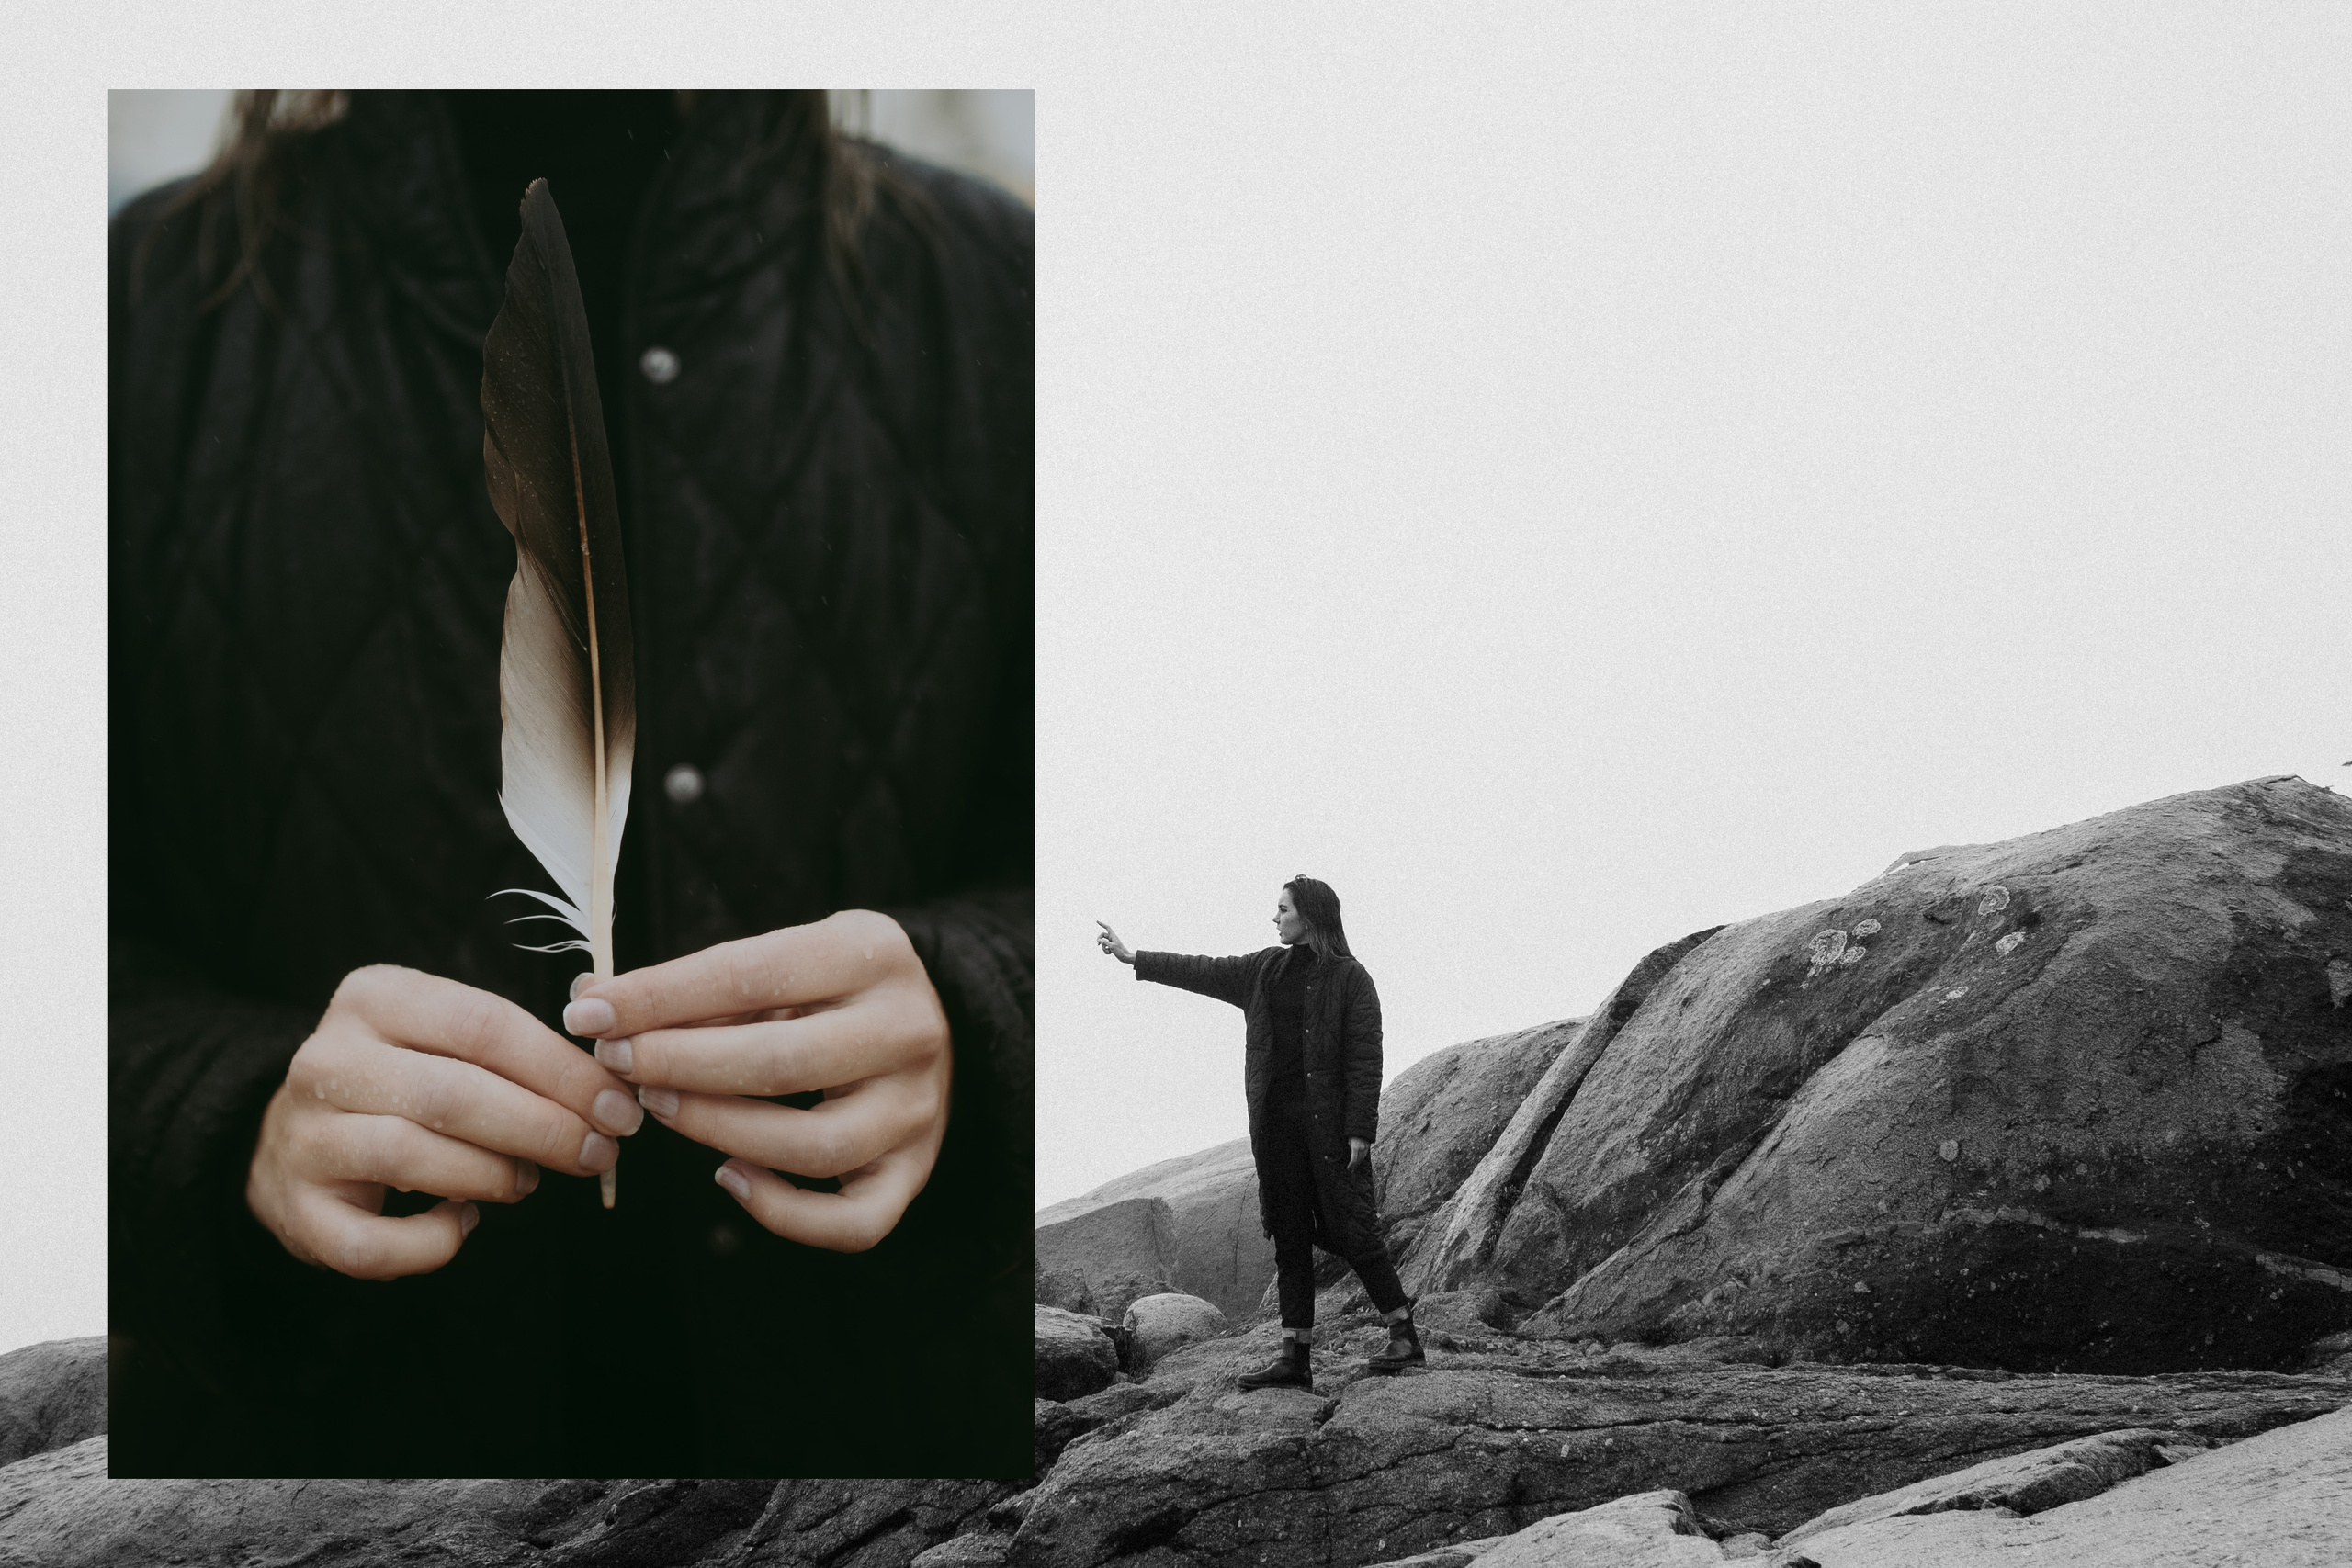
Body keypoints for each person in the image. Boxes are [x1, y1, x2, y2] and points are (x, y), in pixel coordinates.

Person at [109, 90, 1033, 1477]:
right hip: (329, 1463)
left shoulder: (990, 288)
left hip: (889, 1443)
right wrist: (221, 1122)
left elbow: (1133, 863)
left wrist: (981, 1012)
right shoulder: (137, 314)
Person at [1096, 877, 1421, 1389]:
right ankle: (1295, 1358)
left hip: (1329, 1133)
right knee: (1289, 1237)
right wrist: (1135, 957)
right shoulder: (1264, 969)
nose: (1275, 917)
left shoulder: (1351, 978)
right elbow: (1203, 970)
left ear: (1309, 916)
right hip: (1277, 1133)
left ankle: (1404, 1335)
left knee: (1354, 1230)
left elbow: (1365, 1056)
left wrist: (1361, 1129)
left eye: (1282, 908)